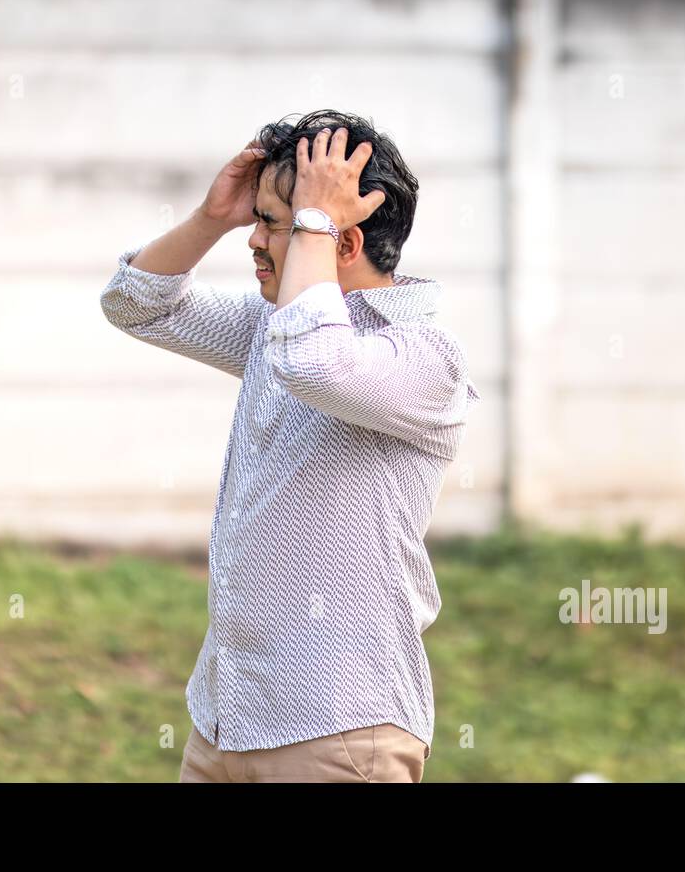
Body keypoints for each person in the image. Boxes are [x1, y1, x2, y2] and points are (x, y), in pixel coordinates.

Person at [100, 110, 480, 782]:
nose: (254, 239)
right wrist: (209, 219)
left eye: (274, 221)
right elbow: (136, 305)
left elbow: (315, 361)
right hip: (224, 722)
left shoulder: (424, 360)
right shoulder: (274, 326)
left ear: (341, 240)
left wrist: (313, 219)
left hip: (338, 733)